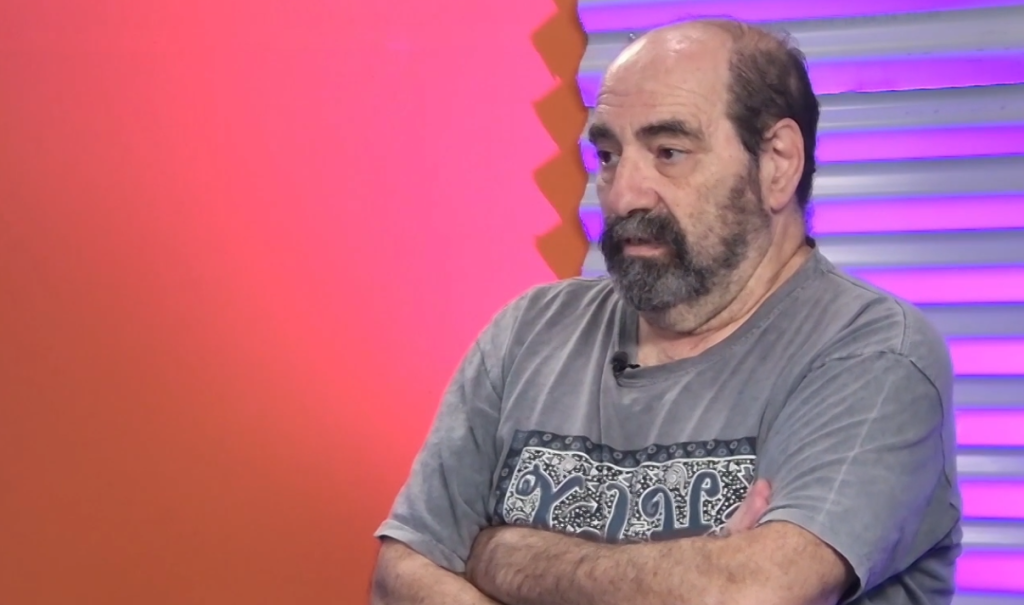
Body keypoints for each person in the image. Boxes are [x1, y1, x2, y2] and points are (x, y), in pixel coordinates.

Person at [370, 16, 961, 605]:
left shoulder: (876, 354)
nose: (624, 194)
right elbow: (401, 573)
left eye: (669, 152)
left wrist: (503, 556)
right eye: (608, 155)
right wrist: (688, 574)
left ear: (777, 162)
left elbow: (750, 592)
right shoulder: (529, 332)